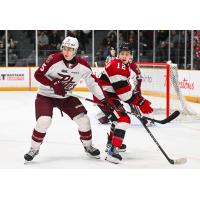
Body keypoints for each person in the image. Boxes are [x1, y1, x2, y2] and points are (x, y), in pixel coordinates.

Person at [24, 36, 107, 162]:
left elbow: (93, 84)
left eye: (70, 49)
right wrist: (53, 83)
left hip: (66, 96)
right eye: (64, 48)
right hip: (46, 95)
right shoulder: (54, 59)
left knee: (84, 120)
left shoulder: (83, 65)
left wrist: (103, 99)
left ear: (75, 51)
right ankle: (34, 148)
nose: (66, 52)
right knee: (44, 121)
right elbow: (38, 75)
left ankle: (88, 146)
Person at [95, 42, 153, 164]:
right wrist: (140, 101)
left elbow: (125, 90)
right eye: (122, 54)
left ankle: (111, 143)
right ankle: (113, 151)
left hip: (109, 96)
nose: (124, 56)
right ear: (118, 55)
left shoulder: (125, 66)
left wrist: (136, 99)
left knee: (118, 120)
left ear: (130, 55)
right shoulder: (117, 65)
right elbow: (124, 95)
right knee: (124, 120)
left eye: (126, 54)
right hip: (105, 97)